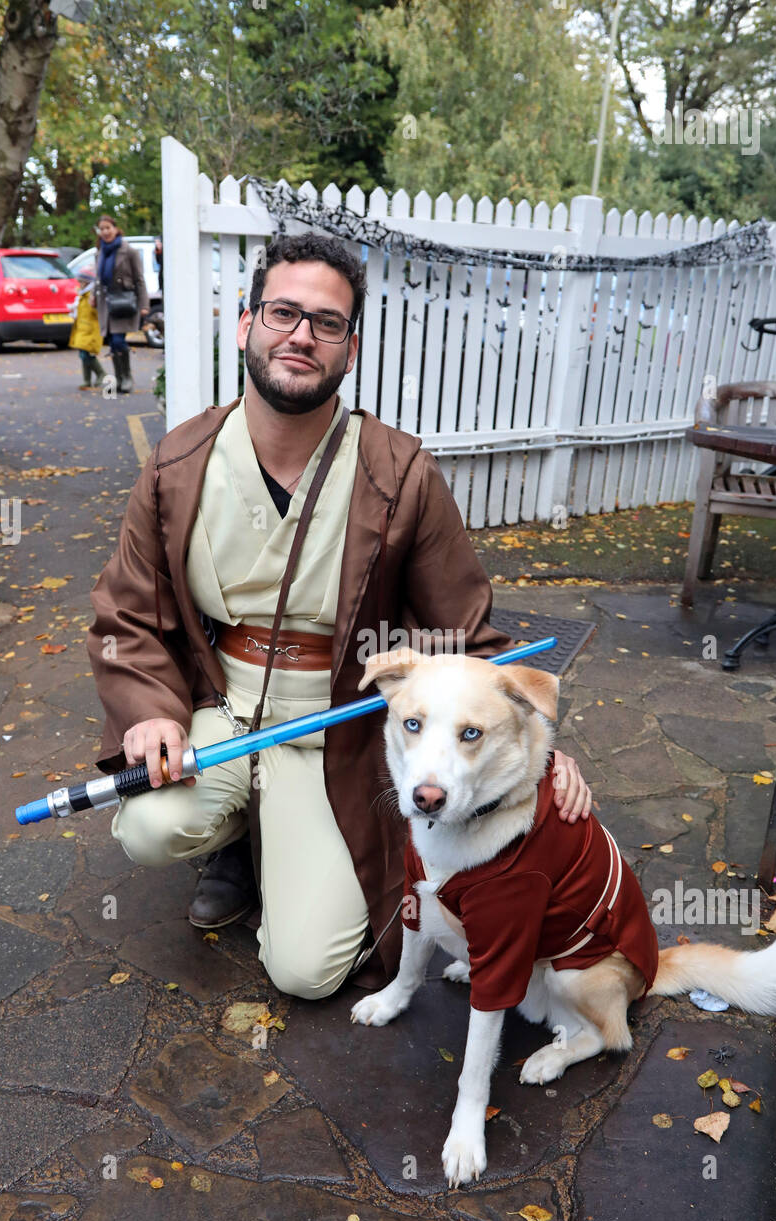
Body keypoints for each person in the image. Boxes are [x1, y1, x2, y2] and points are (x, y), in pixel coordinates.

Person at [87, 232, 592, 999]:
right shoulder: (177, 464)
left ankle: (275, 838)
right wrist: (151, 715)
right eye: (283, 312)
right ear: (245, 322)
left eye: (327, 323)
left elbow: (468, 634)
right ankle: (236, 833)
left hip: (337, 723)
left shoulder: (401, 470)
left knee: (308, 972)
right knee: (147, 827)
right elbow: (128, 616)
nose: (300, 335)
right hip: (217, 705)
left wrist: (543, 749)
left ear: (349, 350)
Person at [91, 213, 149, 395]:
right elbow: (98, 279)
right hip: (106, 304)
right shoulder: (99, 252)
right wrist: (93, 295)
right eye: (102, 229)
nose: (105, 232)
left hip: (124, 301)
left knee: (118, 340)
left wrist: (144, 304)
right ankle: (119, 377)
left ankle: (127, 377)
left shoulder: (128, 251)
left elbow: (140, 279)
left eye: (108, 228)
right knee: (112, 343)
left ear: (115, 229)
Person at [68, 273, 104, 389]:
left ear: (87, 283)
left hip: (90, 330)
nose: (79, 284)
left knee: (85, 355)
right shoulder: (82, 296)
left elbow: (95, 312)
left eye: (81, 282)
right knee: (83, 354)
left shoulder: (90, 296)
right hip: (82, 329)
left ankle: (101, 373)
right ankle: (86, 380)